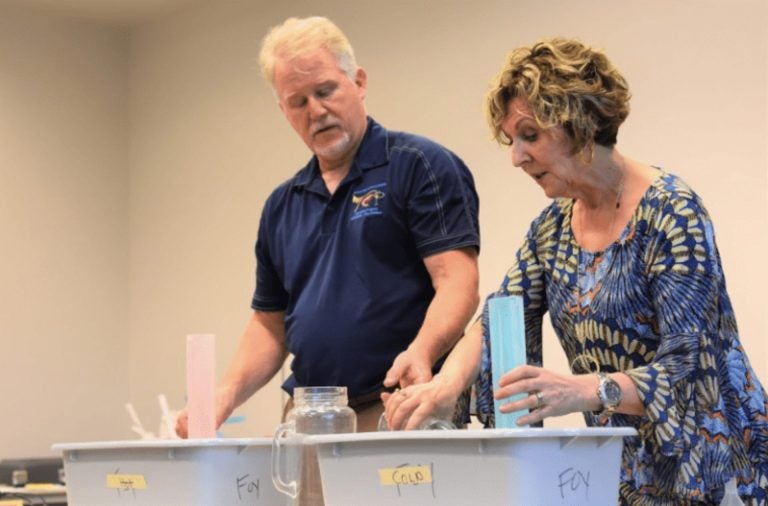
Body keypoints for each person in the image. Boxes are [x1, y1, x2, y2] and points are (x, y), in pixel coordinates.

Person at [381, 37, 768, 504]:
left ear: (579, 123)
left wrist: (583, 389)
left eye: (530, 135)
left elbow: (687, 371)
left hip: (717, 466)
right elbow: (499, 314)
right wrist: (444, 386)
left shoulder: (671, 212)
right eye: (511, 140)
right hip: (625, 469)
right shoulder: (553, 229)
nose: (516, 157)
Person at [175, 16, 480, 435]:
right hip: (310, 415)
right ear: (284, 111)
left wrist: (422, 352)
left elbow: (457, 282)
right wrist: (226, 393)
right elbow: (269, 323)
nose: (316, 111)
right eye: (298, 102)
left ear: (358, 82)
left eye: (325, 91)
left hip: (401, 405)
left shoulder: (419, 165)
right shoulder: (282, 205)